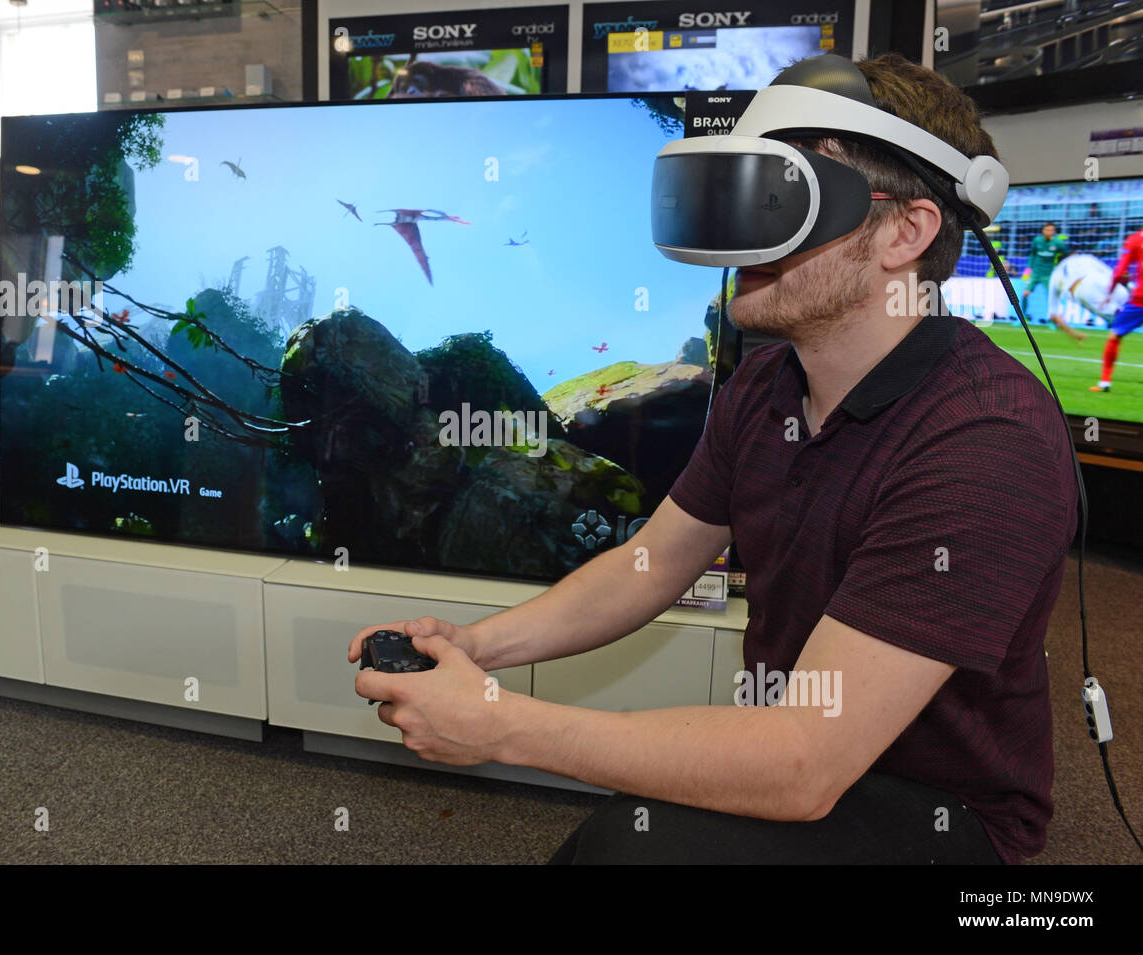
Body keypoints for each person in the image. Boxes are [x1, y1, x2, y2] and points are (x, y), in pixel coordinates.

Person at [349, 53, 1079, 865]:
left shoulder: (985, 442)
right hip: (807, 742)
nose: (743, 234)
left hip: (943, 810)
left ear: (906, 232)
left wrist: (502, 726)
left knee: (629, 849)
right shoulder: (766, 382)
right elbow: (647, 565)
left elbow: (805, 762)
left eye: (787, 200)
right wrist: (477, 645)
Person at [1090, 225, 1143, 392]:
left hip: (1140, 299)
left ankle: (1105, 381)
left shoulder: (1135, 239)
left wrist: (1109, 294)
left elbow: (1120, 271)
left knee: (1115, 336)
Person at [1021, 221, 1070, 321]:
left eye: (1051, 230)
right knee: (1025, 293)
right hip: (1036, 273)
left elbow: (1066, 255)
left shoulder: (1058, 243)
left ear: (1054, 232)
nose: (1049, 232)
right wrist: (1028, 269)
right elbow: (1033, 254)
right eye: (1047, 230)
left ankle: (1052, 321)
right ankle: (1023, 318)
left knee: (1052, 297)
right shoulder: (1037, 241)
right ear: (1043, 231)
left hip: (1049, 274)